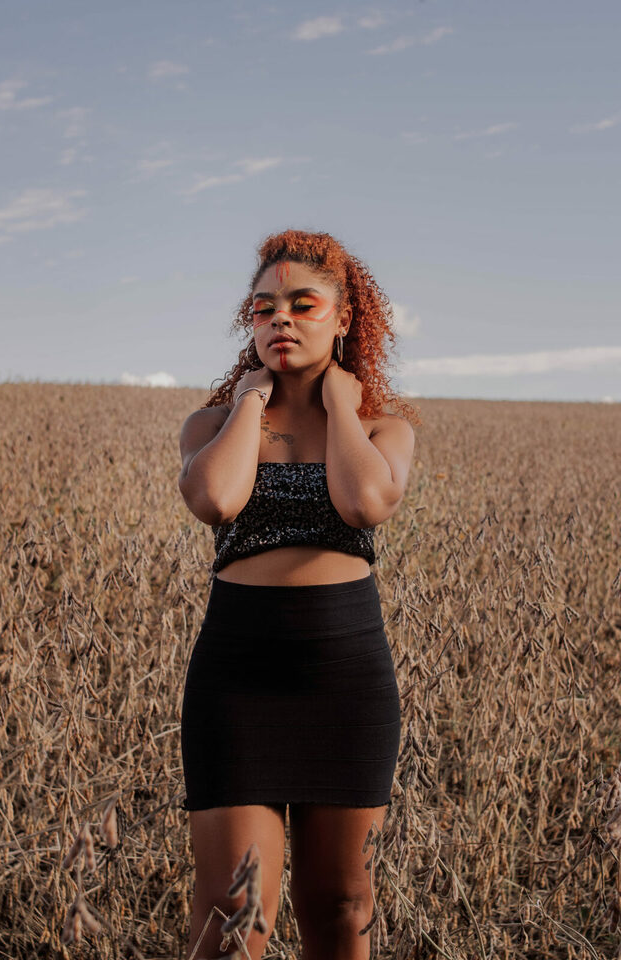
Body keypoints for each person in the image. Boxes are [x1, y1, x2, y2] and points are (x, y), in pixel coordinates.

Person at [178, 229, 420, 960]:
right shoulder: (213, 425)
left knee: (343, 907)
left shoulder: (382, 429)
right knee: (235, 910)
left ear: (343, 318)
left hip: (344, 678)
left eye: (302, 304)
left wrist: (341, 408)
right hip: (238, 678)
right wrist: (253, 402)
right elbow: (216, 500)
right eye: (263, 308)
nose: (279, 318)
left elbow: (364, 503)